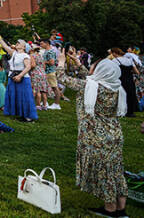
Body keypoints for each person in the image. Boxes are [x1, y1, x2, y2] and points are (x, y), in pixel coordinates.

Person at [57, 57, 128, 217]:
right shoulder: (116, 87)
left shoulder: (91, 86)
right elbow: (90, 77)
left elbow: (63, 79)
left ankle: (110, 209)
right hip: (115, 134)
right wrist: (78, 63)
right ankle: (121, 210)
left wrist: (61, 63)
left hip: (96, 136)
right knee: (116, 170)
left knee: (104, 173)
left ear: (101, 72)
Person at [0, 32, 38, 122]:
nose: (17, 43)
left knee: (24, 97)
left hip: (22, 78)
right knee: (15, 96)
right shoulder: (14, 53)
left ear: (24, 47)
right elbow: (5, 46)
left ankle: (28, 116)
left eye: (19, 43)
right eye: (17, 42)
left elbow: (28, 67)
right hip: (13, 77)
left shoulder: (25, 55)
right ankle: (20, 113)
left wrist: (20, 75)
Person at [113, 48, 138, 118]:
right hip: (130, 79)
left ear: (115, 53)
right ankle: (130, 112)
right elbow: (136, 71)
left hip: (121, 80)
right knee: (131, 95)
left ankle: (121, 110)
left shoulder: (115, 60)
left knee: (121, 95)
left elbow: (113, 71)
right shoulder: (129, 60)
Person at [41, 39, 61, 110]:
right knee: (46, 87)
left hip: (50, 72)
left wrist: (43, 62)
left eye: (42, 43)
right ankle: (45, 102)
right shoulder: (47, 51)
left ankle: (57, 104)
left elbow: (52, 62)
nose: (41, 45)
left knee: (55, 88)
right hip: (47, 72)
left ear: (47, 43)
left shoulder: (50, 52)